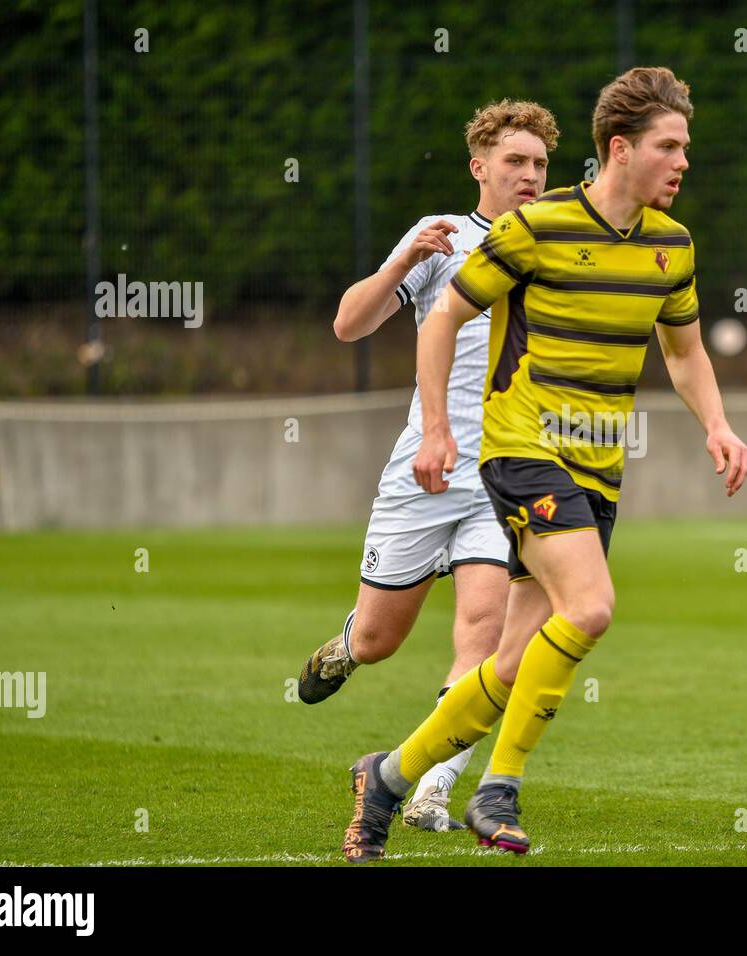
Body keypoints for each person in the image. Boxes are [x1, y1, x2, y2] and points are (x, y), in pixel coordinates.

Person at [341, 66, 747, 862]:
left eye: (686, 148)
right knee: (591, 607)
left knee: (512, 657)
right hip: (522, 450)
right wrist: (435, 429)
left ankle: (386, 779)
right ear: (620, 150)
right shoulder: (536, 227)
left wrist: (719, 425)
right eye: (671, 146)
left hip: (597, 469)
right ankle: (499, 790)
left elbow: (686, 350)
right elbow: (444, 316)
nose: (683, 163)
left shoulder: (673, 247)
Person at [296, 100, 559, 832]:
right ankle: (347, 645)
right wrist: (405, 262)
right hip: (424, 467)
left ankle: (432, 788)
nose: (530, 175)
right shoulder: (439, 239)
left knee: (486, 635)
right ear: (480, 168)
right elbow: (349, 323)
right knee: (382, 640)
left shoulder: (557, 244)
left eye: (540, 164)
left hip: (505, 473)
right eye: (515, 162)